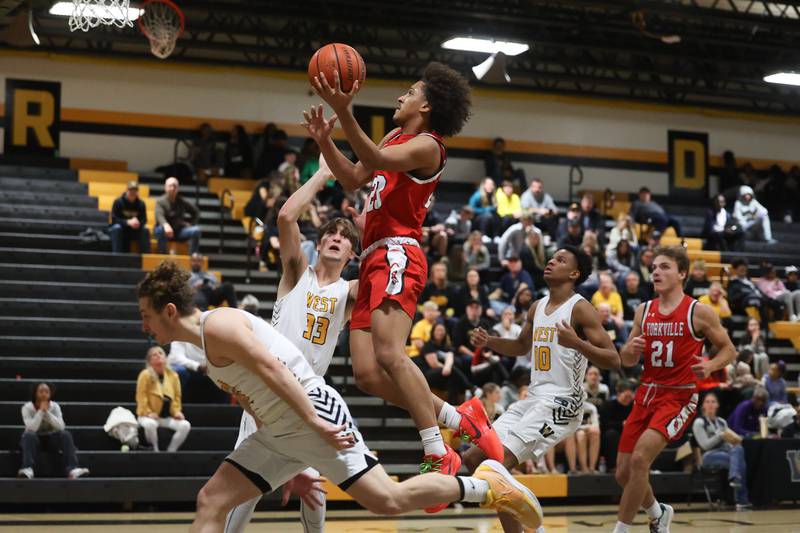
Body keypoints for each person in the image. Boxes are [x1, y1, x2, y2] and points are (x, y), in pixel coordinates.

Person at [137, 262, 544, 531]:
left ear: (169, 311)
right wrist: (288, 460)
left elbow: (274, 371)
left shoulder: (220, 326)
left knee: (387, 499)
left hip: (312, 409)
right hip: (280, 430)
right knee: (211, 499)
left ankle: (485, 486)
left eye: (146, 317)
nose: (144, 327)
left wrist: (312, 426)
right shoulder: (203, 348)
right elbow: (251, 395)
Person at [302, 63, 504, 490]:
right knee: (367, 374)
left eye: (409, 92)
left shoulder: (430, 146)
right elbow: (356, 175)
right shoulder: (395, 136)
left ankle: (436, 448)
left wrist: (344, 108)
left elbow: (372, 160)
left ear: (426, 105)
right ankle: (457, 417)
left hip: (398, 253)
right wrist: (325, 141)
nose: (400, 98)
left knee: (391, 354)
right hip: (371, 256)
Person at [225, 164, 361, 533]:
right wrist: (322, 175)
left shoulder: (349, 291)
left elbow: (387, 280)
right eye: (330, 232)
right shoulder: (296, 271)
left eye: (344, 236)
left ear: (351, 252)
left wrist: (368, 229)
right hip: (266, 389)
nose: (335, 237)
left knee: (315, 490)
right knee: (244, 490)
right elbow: (286, 215)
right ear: (318, 243)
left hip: (308, 396)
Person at [465, 246, 621, 533]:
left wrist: (577, 343)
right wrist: (490, 341)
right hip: (534, 397)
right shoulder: (537, 306)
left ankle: (531, 525)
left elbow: (613, 359)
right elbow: (521, 346)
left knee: (497, 464)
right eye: (552, 257)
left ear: (574, 274)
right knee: (475, 458)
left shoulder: (580, 307)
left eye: (560, 260)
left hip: (563, 401)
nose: (551, 261)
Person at [613, 245, 736, 533]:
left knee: (641, 460)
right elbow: (626, 360)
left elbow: (729, 350)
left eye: (665, 266)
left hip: (679, 396)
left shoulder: (699, 311)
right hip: (646, 393)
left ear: (682, 273)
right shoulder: (643, 310)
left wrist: (709, 365)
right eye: (654, 266)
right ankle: (658, 513)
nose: (656, 271)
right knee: (623, 473)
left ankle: (620, 530)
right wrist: (629, 349)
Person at [692, 392, 751, 510]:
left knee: (738, 449)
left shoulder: (722, 422)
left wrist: (735, 439)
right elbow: (705, 446)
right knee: (739, 461)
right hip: (707, 456)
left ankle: (734, 477)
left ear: (717, 405)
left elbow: (732, 440)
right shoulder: (699, 422)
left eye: (713, 401)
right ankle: (742, 498)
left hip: (724, 452)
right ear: (703, 405)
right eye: (707, 402)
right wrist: (720, 435)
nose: (710, 404)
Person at [18, 382, 89, 480]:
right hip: (34, 441)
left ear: (50, 394)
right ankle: (27, 468)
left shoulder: (55, 406)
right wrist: (40, 412)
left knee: (65, 434)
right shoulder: (27, 408)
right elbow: (31, 428)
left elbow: (61, 426)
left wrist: (46, 412)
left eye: (47, 392)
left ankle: (72, 469)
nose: (44, 394)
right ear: (35, 393)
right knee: (28, 435)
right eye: (41, 391)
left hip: (51, 441)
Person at [136, 346, 191, 452]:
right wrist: (148, 413)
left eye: (160, 353)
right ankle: (155, 450)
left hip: (166, 416)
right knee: (150, 424)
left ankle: (171, 450)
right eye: (154, 354)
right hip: (148, 415)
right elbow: (141, 397)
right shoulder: (145, 375)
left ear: (166, 358)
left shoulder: (173, 375)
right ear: (149, 361)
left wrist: (176, 412)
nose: (158, 356)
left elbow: (177, 397)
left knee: (185, 425)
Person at [417, 322, 475, 404]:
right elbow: (434, 364)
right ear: (433, 332)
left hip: (443, 374)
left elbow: (450, 358)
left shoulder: (447, 347)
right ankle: (470, 387)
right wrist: (447, 367)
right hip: (428, 373)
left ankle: (452, 405)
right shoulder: (428, 345)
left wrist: (447, 367)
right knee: (452, 370)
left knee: (452, 380)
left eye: (442, 330)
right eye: (438, 330)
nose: (440, 333)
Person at [728, 259, 781, 332]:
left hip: (759, 299)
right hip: (744, 304)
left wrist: (768, 298)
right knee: (755, 301)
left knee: (776, 303)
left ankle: (774, 325)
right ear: (736, 270)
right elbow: (731, 298)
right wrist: (745, 293)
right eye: (741, 270)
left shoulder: (749, 282)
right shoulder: (733, 283)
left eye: (744, 269)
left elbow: (760, 292)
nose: (743, 271)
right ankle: (763, 328)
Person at [154, 177, 201, 255]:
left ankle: (193, 257)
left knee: (196, 230)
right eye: (170, 186)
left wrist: (191, 223)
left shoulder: (181, 201)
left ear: (178, 188)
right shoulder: (160, 201)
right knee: (160, 229)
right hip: (163, 231)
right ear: (165, 187)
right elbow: (159, 215)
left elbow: (196, 212)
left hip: (179, 231)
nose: (173, 188)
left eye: (175, 186)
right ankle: (163, 256)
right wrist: (166, 225)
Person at [599, 381, 635, 471]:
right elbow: (604, 424)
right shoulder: (607, 405)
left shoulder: (634, 406)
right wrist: (621, 424)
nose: (628, 399)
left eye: (630, 397)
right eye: (626, 396)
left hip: (629, 432)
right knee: (612, 435)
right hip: (610, 434)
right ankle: (613, 466)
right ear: (618, 393)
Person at [109, 181, 150, 254]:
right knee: (116, 228)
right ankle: (116, 257)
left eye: (135, 190)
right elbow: (114, 219)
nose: (133, 192)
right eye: (131, 190)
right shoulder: (118, 202)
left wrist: (138, 223)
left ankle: (144, 256)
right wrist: (127, 222)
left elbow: (144, 219)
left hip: (134, 230)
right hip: (122, 229)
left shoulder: (141, 204)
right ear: (126, 190)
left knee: (145, 230)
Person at [575, 400, 600, 473]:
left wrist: (585, 428)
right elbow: (570, 427)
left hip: (586, 430)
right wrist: (586, 427)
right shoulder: (569, 406)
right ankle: (584, 468)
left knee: (595, 433)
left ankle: (592, 468)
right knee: (581, 435)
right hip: (572, 432)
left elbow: (596, 426)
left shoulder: (591, 407)